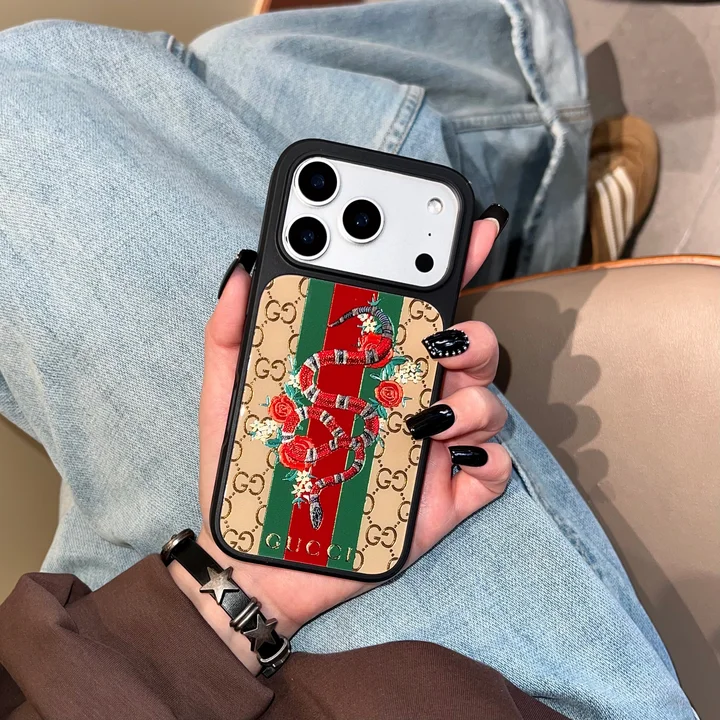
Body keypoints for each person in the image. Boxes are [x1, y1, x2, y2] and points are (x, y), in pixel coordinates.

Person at [0, 1, 695, 718]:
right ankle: (543, 169)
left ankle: (544, 198)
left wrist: (229, 595)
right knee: (40, 101)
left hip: (91, 661)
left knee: (244, 84)